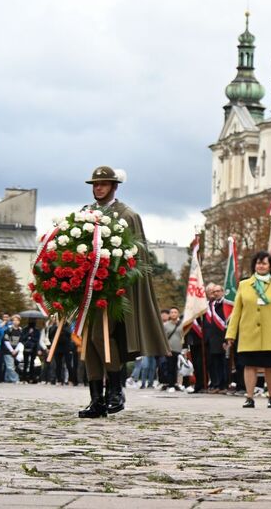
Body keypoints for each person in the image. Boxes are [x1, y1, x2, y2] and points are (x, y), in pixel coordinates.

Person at [78, 166, 170, 417]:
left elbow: (136, 257)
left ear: (114, 186)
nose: (98, 188)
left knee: (102, 338)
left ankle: (116, 390)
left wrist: (120, 282)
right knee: (90, 343)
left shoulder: (127, 215)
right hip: (88, 290)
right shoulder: (85, 213)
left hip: (115, 290)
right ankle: (97, 398)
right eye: (95, 184)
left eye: (103, 184)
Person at [224, 251, 271, 409]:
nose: (260, 266)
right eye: (258, 263)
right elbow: (237, 311)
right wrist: (230, 334)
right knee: (249, 365)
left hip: (270, 334)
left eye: (264, 263)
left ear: (270, 266)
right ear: (254, 265)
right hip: (248, 333)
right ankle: (249, 397)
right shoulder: (244, 285)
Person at [203, 283, 228, 392]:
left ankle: (224, 385)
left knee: (224, 363)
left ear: (222, 292)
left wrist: (226, 339)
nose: (215, 293)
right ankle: (217, 384)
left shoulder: (225, 304)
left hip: (223, 337)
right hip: (213, 339)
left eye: (218, 291)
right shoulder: (211, 305)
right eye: (214, 292)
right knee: (215, 363)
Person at [162, 307, 183, 391]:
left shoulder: (182, 324)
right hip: (170, 349)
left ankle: (181, 384)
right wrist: (167, 349)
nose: (174, 314)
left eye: (175, 312)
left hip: (181, 349)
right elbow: (163, 338)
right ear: (169, 314)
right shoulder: (165, 325)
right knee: (171, 367)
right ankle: (171, 385)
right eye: (172, 312)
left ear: (178, 314)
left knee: (181, 368)